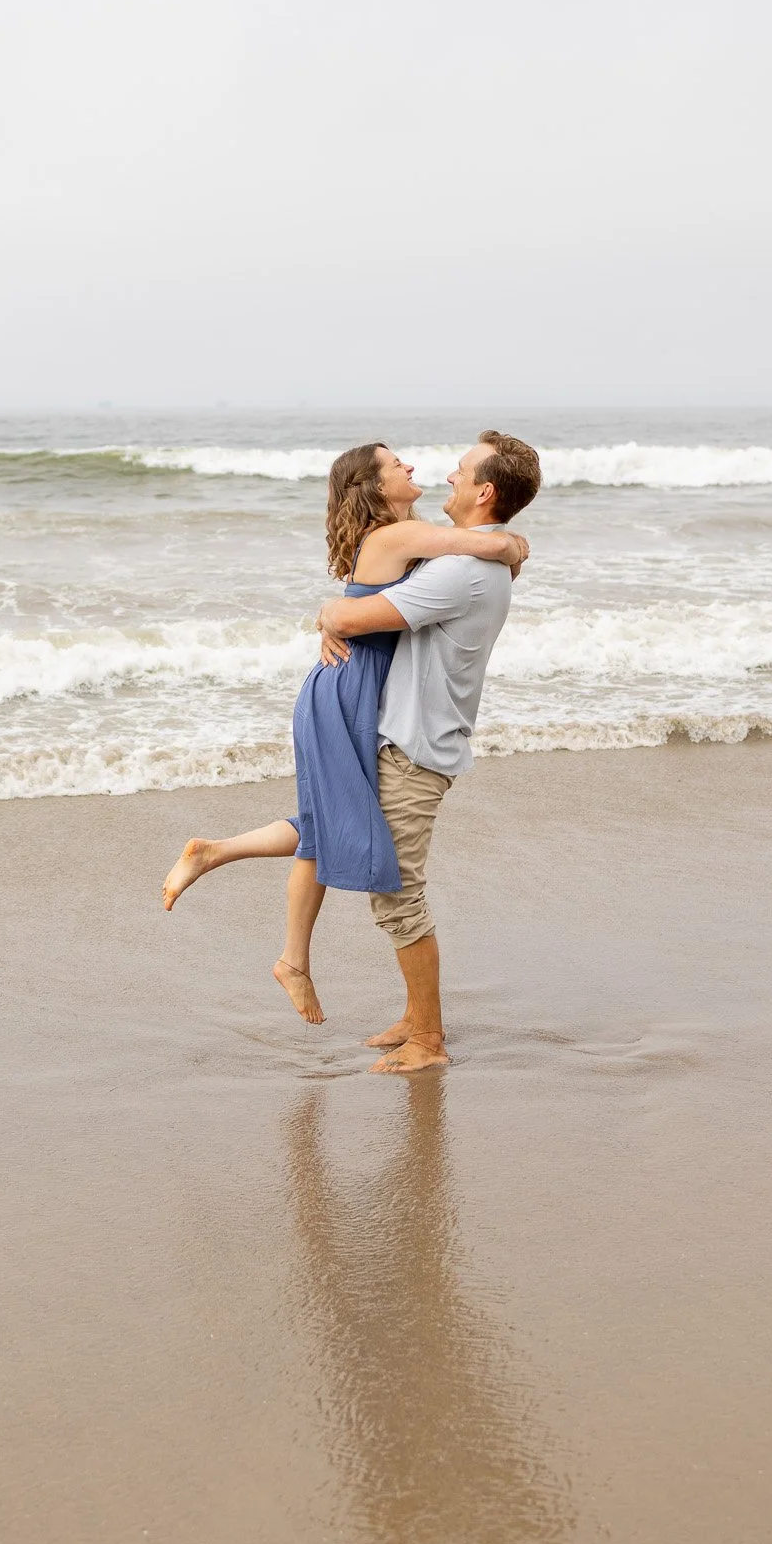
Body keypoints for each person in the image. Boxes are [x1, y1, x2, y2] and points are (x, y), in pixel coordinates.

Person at [160, 443, 528, 1025]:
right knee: (333, 820)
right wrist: (511, 545)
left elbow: (436, 570)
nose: (415, 468)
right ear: (376, 487)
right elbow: (485, 546)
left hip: (356, 685)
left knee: (333, 819)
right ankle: (285, 948)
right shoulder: (400, 536)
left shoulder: (408, 536)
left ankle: (228, 869)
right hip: (348, 688)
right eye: (396, 465)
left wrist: (333, 613)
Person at [314, 430, 542, 1073]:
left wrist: (329, 612)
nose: (449, 477)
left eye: (462, 471)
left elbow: (350, 618)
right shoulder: (468, 561)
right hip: (415, 741)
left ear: (485, 491)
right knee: (382, 878)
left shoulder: (460, 572)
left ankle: (429, 1041)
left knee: (398, 896)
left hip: (414, 751)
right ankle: (416, 1019)